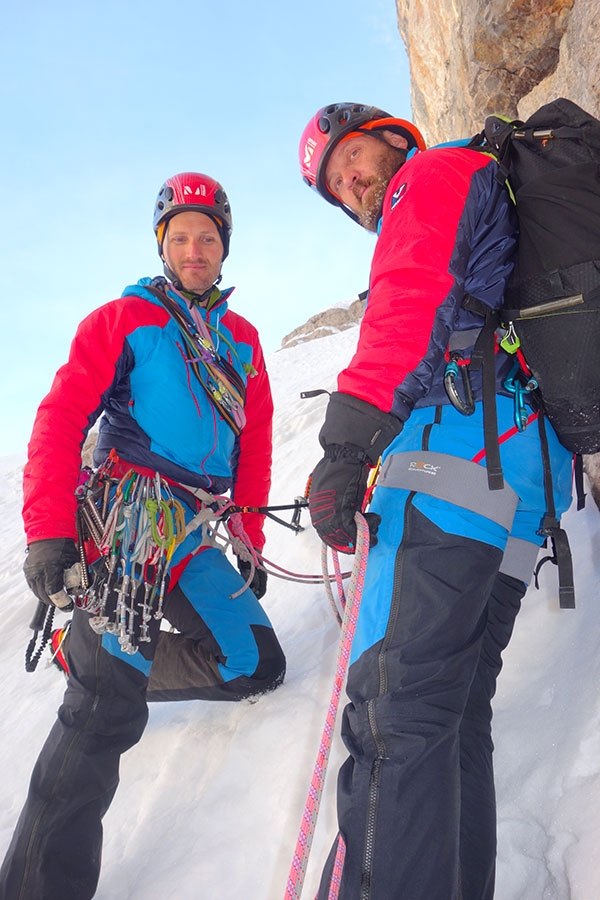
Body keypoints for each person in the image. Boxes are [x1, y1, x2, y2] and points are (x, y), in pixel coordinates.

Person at [298, 103, 573, 899]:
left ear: (393, 137)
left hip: (451, 464)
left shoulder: (432, 174)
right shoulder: (490, 185)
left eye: (351, 157)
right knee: (451, 718)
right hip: (517, 480)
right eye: (336, 186)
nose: (350, 183)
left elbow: (410, 300)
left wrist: (347, 446)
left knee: (394, 716)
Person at [0, 172, 286, 900]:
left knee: (255, 662)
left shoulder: (243, 340)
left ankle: (95, 659)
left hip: (192, 526)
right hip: (129, 517)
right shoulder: (125, 318)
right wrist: (48, 532)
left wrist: (246, 537)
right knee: (102, 714)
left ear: (225, 248)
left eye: (208, 237)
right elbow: (62, 417)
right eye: (181, 237)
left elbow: (252, 444)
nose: (195, 249)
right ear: (163, 245)